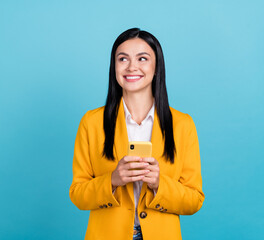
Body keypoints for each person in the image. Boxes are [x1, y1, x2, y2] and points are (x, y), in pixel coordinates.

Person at [69, 28, 204, 240]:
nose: (132, 66)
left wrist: (159, 184)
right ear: (114, 66)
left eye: (142, 58)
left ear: (157, 66)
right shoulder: (92, 122)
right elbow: (78, 194)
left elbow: (194, 199)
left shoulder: (182, 125)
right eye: (123, 59)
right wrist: (112, 181)